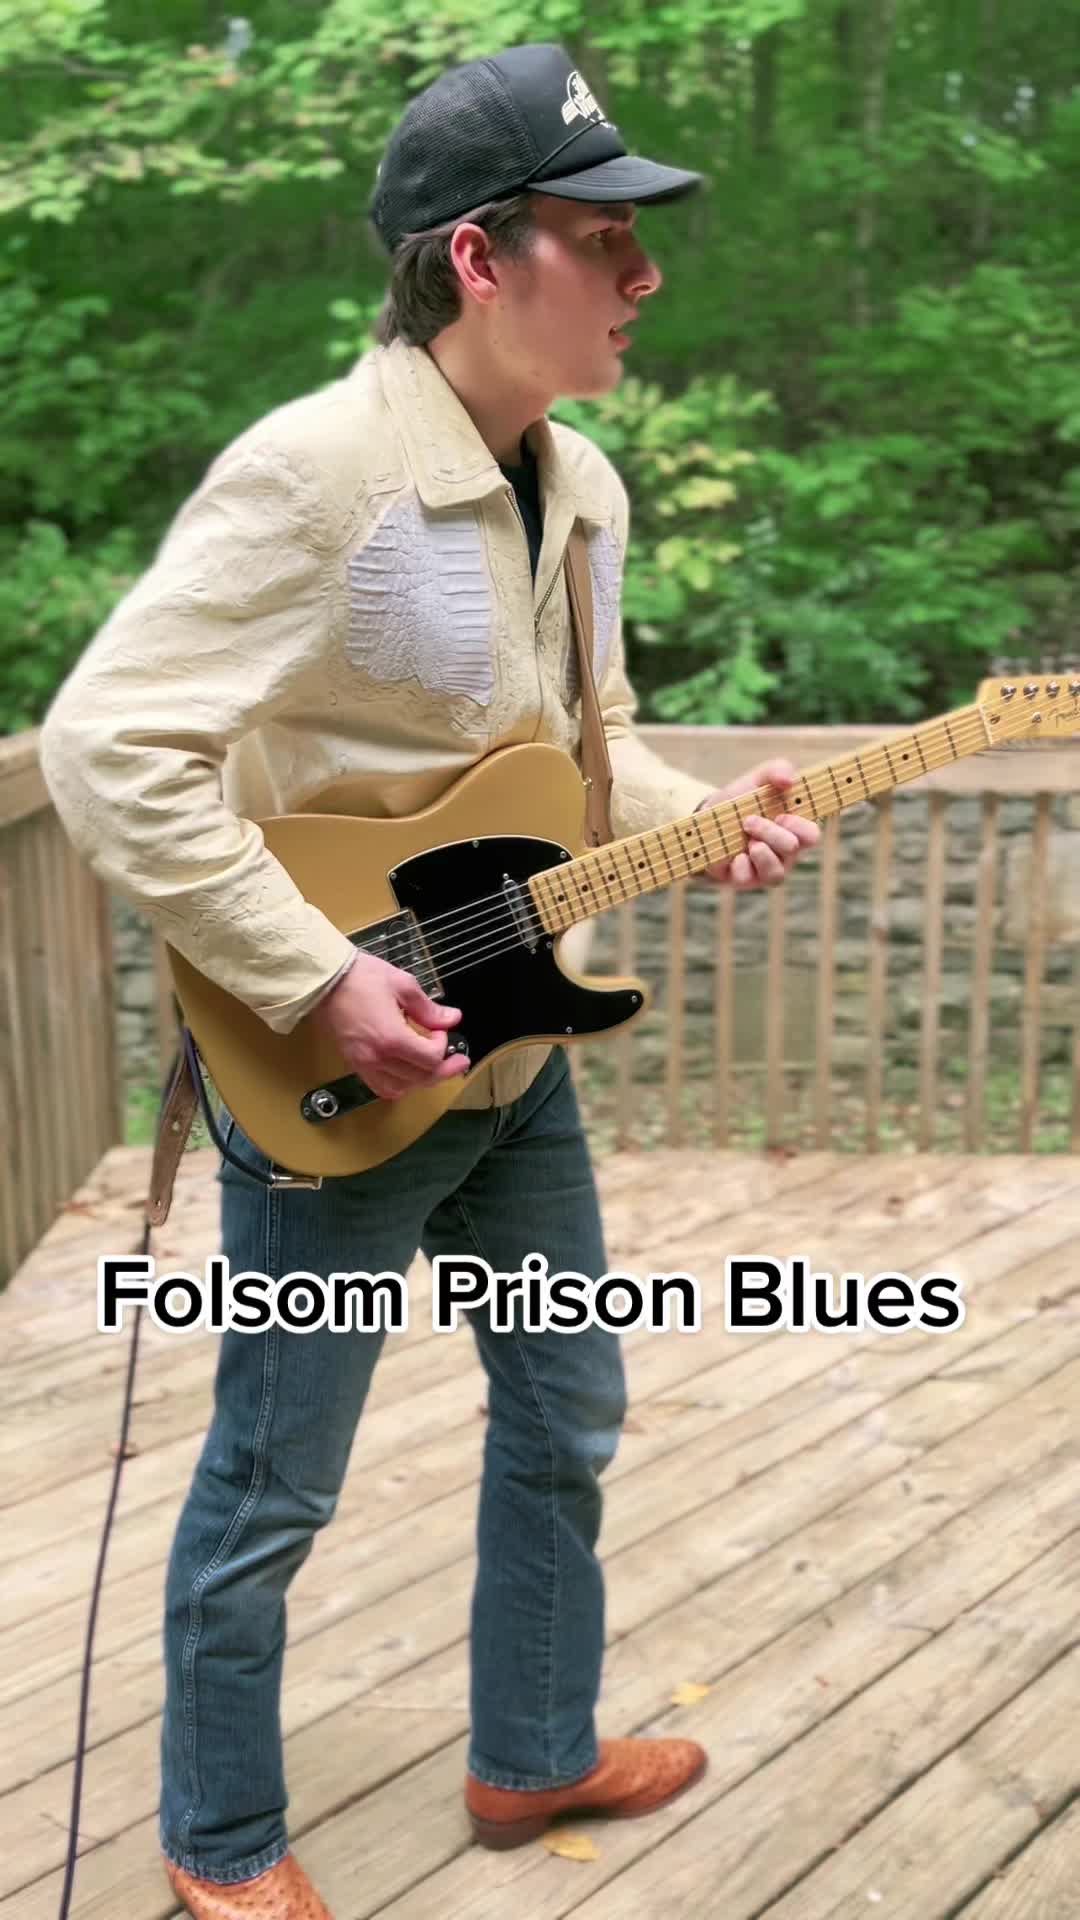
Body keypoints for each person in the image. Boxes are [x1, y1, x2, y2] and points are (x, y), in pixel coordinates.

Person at [40, 41, 819, 1920]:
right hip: (340, 1075)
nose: (643, 273)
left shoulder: (586, 484)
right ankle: (221, 1847)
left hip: (515, 1057)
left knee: (567, 1416)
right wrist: (313, 980)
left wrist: (706, 817)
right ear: (479, 259)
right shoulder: (316, 478)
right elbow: (105, 748)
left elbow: (587, 749)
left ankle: (531, 1754)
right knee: (273, 1486)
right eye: (602, 237)